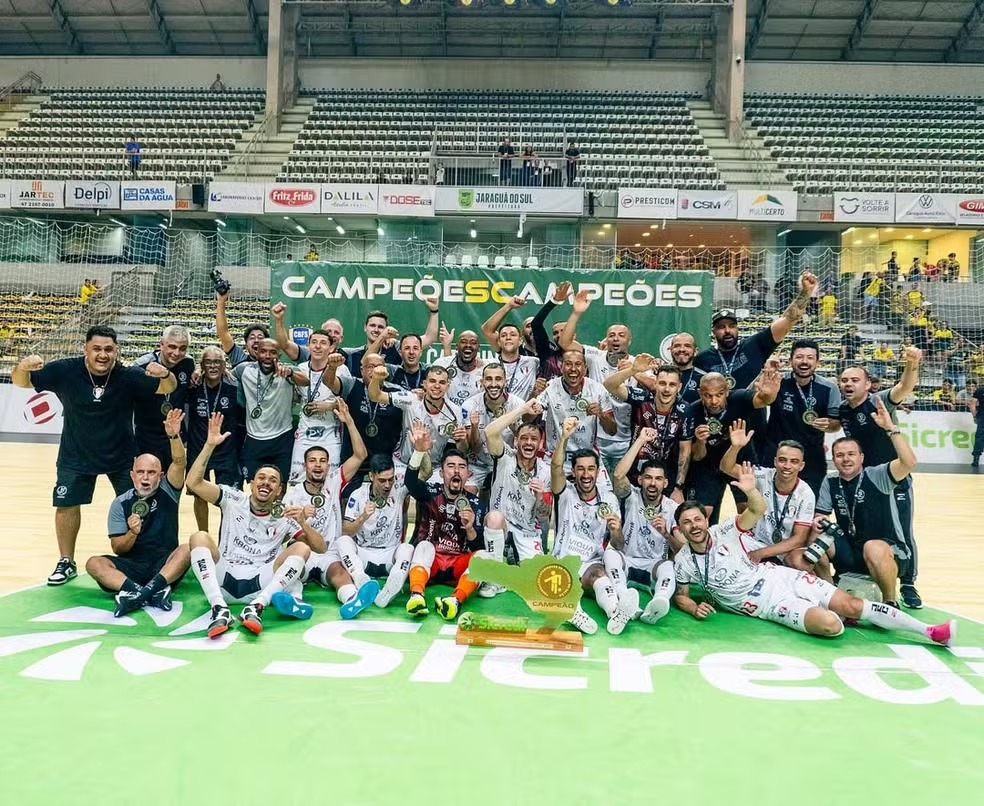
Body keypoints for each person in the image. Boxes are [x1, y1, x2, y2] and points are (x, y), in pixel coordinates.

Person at [672, 463, 954, 647]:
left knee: (854, 606)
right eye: (687, 523)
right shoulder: (683, 561)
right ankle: (837, 612)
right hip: (770, 604)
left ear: (705, 521)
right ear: (681, 529)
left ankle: (929, 631)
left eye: (697, 520)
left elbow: (756, 511)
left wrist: (750, 491)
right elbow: (682, 595)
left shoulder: (725, 531)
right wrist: (693, 608)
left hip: (783, 578)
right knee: (832, 626)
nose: (694, 526)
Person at [12, 325, 177, 585]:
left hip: (122, 457)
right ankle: (66, 561)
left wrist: (165, 373)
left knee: (138, 505)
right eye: (97, 349)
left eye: (109, 349)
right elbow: (22, 383)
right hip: (76, 454)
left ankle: (139, 559)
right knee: (66, 506)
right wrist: (22, 367)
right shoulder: (65, 370)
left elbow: (167, 387)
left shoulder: (127, 375)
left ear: (116, 351)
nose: (103, 354)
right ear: (85, 350)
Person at [186, 414, 327, 638]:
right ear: (251, 484)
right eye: (261, 477)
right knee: (198, 537)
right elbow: (193, 483)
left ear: (280, 490)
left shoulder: (286, 514)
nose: (266, 483)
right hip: (225, 578)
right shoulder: (233, 499)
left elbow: (321, 548)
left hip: (260, 584)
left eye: (273, 480)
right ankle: (219, 608)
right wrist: (209, 445)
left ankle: (257, 607)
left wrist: (302, 522)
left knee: (303, 548)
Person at [836, 346, 923, 608]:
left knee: (902, 531)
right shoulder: (843, 409)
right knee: (871, 531)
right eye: (844, 380)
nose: (848, 384)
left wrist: (912, 363)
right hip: (866, 482)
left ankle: (908, 584)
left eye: (854, 380)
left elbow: (905, 387)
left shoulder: (879, 400)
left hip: (893, 477)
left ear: (868, 384)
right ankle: (874, 572)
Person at [85, 409, 191, 617]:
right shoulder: (120, 503)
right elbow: (118, 549)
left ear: (160, 476)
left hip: (164, 565)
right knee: (94, 563)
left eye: (151, 473)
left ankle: (138, 594)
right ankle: (148, 592)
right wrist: (132, 533)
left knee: (187, 549)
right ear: (132, 475)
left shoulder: (169, 491)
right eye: (140, 472)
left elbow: (179, 462)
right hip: (132, 566)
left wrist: (173, 435)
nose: (145, 478)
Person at [283, 402, 380, 619]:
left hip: (330, 553)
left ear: (328, 465)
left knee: (339, 573)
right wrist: (303, 522)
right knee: (293, 570)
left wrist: (350, 422)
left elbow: (360, 454)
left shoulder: (334, 481)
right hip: (306, 551)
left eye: (323, 461)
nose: (318, 465)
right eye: (312, 461)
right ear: (304, 465)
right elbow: (304, 541)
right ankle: (295, 602)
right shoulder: (293, 495)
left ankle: (352, 598)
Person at [817, 397, 917, 604]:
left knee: (873, 547)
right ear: (833, 459)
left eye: (851, 454)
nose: (846, 459)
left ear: (862, 458)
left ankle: (890, 603)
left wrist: (891, 429)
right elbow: (820, 515)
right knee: (812, 544)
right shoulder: (831, 480)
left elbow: (909, 462)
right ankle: (830, 596)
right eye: (840, 455)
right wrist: (819, 523)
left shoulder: (878, 474)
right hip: (851, 551)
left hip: (888, 551)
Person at [403, 424, 505, 621]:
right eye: (451, 466)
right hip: (429, 562)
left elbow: (478, 547)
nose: (456, 471)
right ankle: (417, 595)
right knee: (423, 546)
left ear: (468, 474)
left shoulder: (476, 504)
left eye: (461, 467)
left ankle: (454, 601)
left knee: (483, 557)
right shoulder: (429, 493)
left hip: (457, 565)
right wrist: (418, 452)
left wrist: (470, 530)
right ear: (441, 474)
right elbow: (410, 482)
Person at [551, 417, 638, 636]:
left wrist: (616, 529)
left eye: (591, 469)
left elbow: (618, 545)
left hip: (590, 562)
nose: (586, 474)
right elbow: (555, 466)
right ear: (574, 471)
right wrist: (564, 437)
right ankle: (574, 612)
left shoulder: (608, 499)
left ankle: (615, 613)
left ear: (598, 472)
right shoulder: (565, 493)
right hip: (563, 560)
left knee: (600, 575)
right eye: (581, 469)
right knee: (559, 582)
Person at [720, 420, 826, 578]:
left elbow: (798, 539)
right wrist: (736, 447)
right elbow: (726, 468)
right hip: (755, 541)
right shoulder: (762, 475)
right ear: (775, 461)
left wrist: (761, 553)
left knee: (799, 562)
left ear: (801, 466)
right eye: (782, 460)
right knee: (722, 549)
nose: (787, 466)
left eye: (794, 462)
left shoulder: (805, 493)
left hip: (786, 549)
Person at [685, 367, 779, 523]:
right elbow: (696, 456)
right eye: (708, 396)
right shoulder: (692, 412)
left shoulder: (739, 398)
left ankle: (747, 545)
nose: (714, 401)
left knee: (748, 511)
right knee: (701, 514)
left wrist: (769, 393)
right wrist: (700, 441)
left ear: (727, 391)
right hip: (708, 466)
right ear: (700, 393)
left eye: (719, 395)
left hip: (741, 462)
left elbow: (763, 400)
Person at [693, 271, 816, 390]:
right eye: (721, 327)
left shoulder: (754, 345)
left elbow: (787, 320)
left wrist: (806, 292)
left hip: (752, 409)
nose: (727, 331)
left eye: (731, 326)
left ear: (737, 328)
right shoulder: (703, 359)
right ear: (713, 331)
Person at [558, 288, 636, 472]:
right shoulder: (595, 356)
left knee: (619, 490)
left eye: (621, 335)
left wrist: (638, 373)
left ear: (629, 341)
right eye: (611, 335)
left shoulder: (636, 365)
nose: (615, 339)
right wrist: (576, 313)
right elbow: (565, 343)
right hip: (594, 438)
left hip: (624, 440)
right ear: (606, 340)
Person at [610, 427, 680, 624]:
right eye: (648, 477)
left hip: (653, 567)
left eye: (658, 479)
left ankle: (659, 602)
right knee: (609, 555)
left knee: (669, 565)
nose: (652, 483)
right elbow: (617, 475)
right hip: (627, 561)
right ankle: (624, 596)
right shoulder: (630, 497)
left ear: (665, 483)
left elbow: (682, 550)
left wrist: (666, 534)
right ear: (640, 480)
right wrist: (640, 440)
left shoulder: (673, 508)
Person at [762, 339, 841, 495]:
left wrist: (829, 424)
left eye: (810, 357)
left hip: (811, 457)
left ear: (818, 362)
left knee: (811, 504)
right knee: (770, 504)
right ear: (791, 360)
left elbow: (836, 424)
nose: (804, 362)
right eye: (799, 357)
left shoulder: (829, 387)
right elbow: (754, 398)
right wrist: (766, 372)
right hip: (777, 453)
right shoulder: (778, 381)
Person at [604, 357, 692, 498]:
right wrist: (633, 370)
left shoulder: (685, 410)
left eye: (672, 385)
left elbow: (685, 451)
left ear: (679, 387)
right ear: (655, 383)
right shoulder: (642, 398)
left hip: (664, 477)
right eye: (662, 383)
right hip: (635, 473)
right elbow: (609, 385)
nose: (667, 389)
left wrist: (678, 487)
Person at [534, 348, 617, 487]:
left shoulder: (598, 390)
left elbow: (612, 430)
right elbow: (527, 418)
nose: (573, 369)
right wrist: (534, 395)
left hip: (588, 458)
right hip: (554, 457)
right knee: (541, 498)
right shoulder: (550, 387)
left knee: (605, 502)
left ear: (585, 368)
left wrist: (601, 414)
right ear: (561, 367)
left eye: (578, 364)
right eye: (568, 364)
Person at [486, 399, 554, 567]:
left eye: (533, 439)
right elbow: (489, 432)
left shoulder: (545, 471)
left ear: (540, 444)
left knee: (537, 572)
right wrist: (522, 409)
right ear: (516, 442)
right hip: (502, 525)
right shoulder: (505, 457)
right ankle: (494, 575)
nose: (529, 443)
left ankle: (512, 553)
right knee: (494, 518)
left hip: (527, 530)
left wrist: (540, 496)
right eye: (524, 438)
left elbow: (543, 516)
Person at [341, 454, 415, 608]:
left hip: (390, 554)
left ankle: (391, 588)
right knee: (342, 542)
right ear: (371, 476)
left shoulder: (399, 488)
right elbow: (347, 531)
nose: (387, 485)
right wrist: (362, 517)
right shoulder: (358, 495)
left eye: (391, 479)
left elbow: (425, 473)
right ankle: (361, 580)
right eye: (382, 480)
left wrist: (421, 451)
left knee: (408, 548)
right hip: (364, 555)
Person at [233, 338, 308, 483]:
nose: (267, 356)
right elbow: (226, 374)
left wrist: (291, 373)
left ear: (279, 355)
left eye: (273, 352)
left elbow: (306, 381)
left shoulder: (286, 370)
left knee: (281, 484)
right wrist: (199, 371)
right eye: (263, 351)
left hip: (282, 438)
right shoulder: (244, 369)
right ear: (256, 353)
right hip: (254, 439)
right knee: (255, 484)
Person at [186, 346, 243, 532]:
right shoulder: (192, 385)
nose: (212, 366)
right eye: (208, 362)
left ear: (224, 364)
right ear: (201, 365)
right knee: (199, 495)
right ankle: (204, 536)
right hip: (198, 449)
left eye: (217, 362)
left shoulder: (233, 385)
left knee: (229, 498)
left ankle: (225, 538)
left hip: (226, 451)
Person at [369, 363, 464, 472]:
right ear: (424, 384)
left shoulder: (455, 412)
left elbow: (462, 449)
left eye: (442, 382)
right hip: (403, 463)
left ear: (447, 387)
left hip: (435, 467)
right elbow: (375, 396)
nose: (437, 386)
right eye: (432, 381)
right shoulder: (411, 400)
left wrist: (462, 440)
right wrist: (376, 379)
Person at [132, 325, 195, 469]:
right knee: (148, 481)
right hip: (146, 437)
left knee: (174, 481)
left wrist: (200, 371)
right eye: (172, 347)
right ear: (161, 344)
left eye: (183, 348)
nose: (177, 353)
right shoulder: (141, 366)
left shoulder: (188, 363)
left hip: (174, 436)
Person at [460, 363, 526, 491]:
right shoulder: (470, 405)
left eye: (498, 379)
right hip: (478, 464)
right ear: (482, 382)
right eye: (489, 379)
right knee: (467, 492)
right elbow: (474, 448)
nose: (493, 384)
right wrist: (474, 427)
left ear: (505, 382)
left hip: (507, 463)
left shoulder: (518, 404)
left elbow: (522, 443)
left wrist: (512, 425)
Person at [289, 338, 347, 481]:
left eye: (323, 343)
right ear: (308, 346)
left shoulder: (341, 369)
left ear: (331, 348)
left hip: (330, 435)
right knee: (297, 481)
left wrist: (330, 405)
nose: (318, 346)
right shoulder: (301, 368)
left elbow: (350, 399)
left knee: (331, 482)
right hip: (304, 435)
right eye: (314, 342)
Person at [479, 296, 540, 400]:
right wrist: (509, 306)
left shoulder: (533, 362)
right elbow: (486, 330)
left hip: (522, 414)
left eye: (512, 335)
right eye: (503, 335)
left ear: (520, 340)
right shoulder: (490, 364)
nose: (508, 337)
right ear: (498, 341)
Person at [433, 327, 485, 410]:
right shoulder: (441, 364)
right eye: (463, 342)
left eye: (473, 342)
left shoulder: (485, 370)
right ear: (456, 347)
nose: (468, 345)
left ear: (479, 348)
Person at [216, 287, 268, 368]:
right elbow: (223, 333)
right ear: (246, 345)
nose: (256, 340)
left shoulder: (272, 364)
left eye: (260, 337)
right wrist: (221, 301)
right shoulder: (239, 358)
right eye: (252, 338)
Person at [968, 383, 984, 468]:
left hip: (982, 416)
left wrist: (974, 416)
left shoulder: (980, 390)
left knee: (979, 437)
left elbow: (972, 403)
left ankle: (976, 459)